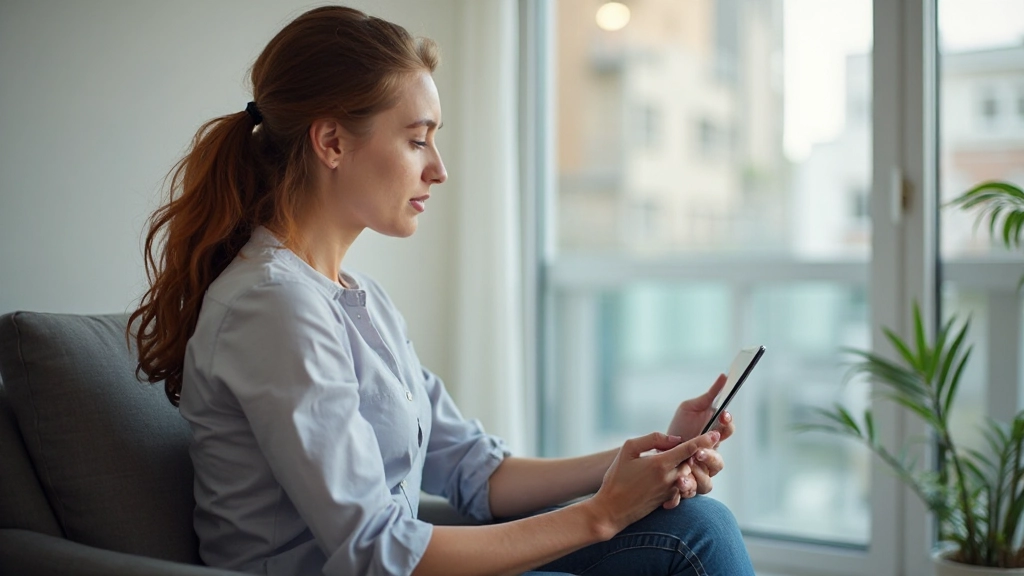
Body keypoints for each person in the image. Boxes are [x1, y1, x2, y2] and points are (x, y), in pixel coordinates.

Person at [129, 6, 755, 576]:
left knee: (695, 521)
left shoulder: (358, 298)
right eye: (417, 138)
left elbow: (479, 474)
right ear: (332, 142)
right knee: (694, 537)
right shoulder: (273, 306)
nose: (439, 167)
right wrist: (600, 515)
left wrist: (644, 459)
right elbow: (376, 549)